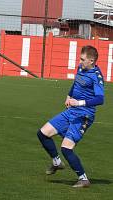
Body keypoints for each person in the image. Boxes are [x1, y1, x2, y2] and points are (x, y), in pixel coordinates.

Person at [37, 45, 104, 188]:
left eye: (83, 59)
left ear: (91, 60)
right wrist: (69, 96)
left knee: (66, 148)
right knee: (43, 133)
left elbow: (100, 99)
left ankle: (83, 179)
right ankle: (56, 162)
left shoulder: (96, 76)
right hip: (71, 111)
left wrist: (78, 102)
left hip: (84, 115)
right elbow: (75, 84)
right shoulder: (81, 69)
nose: (80, 62)